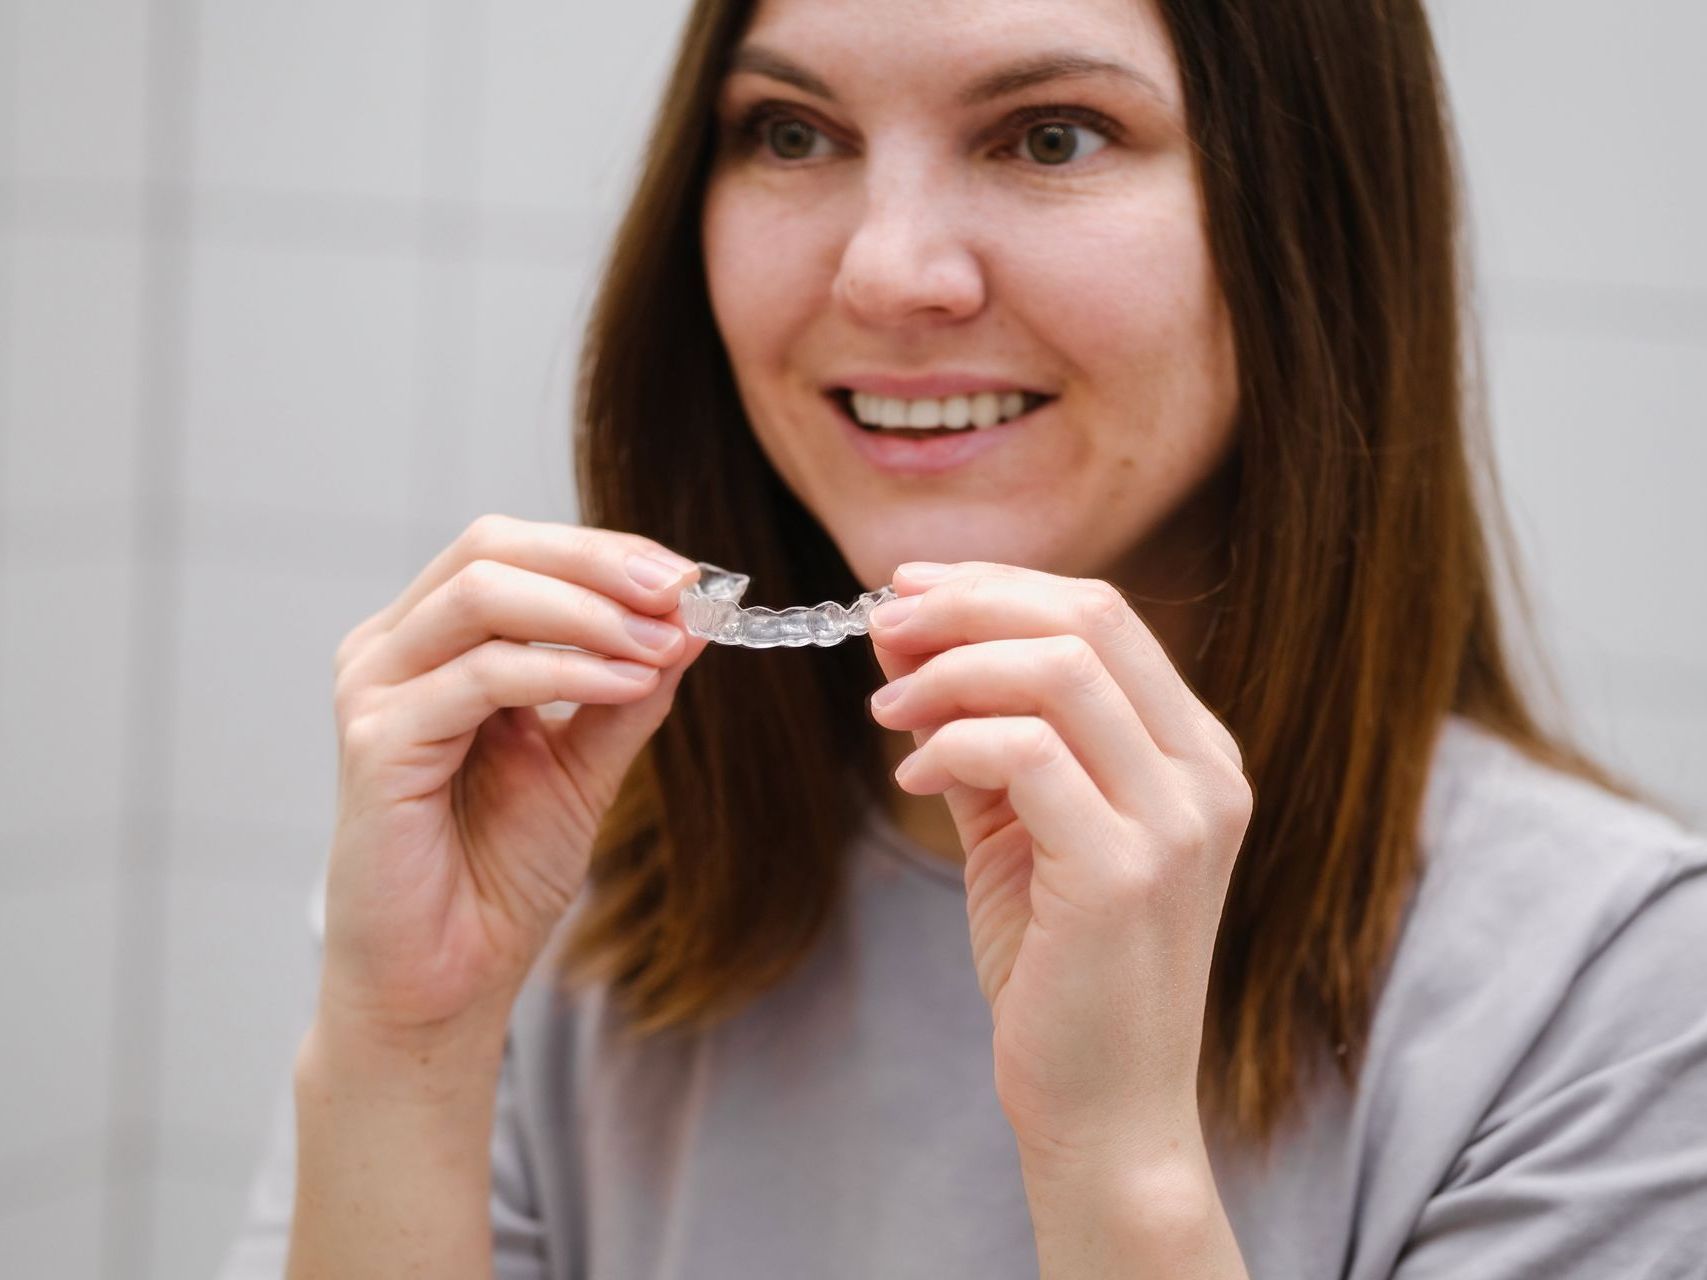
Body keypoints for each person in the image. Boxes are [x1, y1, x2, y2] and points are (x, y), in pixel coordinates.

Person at [218, 0, 1707, 1276]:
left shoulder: (1618, 997)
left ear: (1311, 214)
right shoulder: (544, 886)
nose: (885, 273)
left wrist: (1118, 1167)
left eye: (1049, 134)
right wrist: (401, 1057)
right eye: (792, 134)